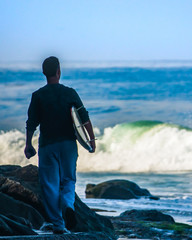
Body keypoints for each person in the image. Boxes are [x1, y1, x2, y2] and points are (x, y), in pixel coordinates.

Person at [24, 56, 96, 234]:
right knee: (68, 180)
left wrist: (28, 145)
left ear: (44, 73)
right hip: (68, 144)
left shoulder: (37, 95)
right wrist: (91, 141)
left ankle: (58, 225)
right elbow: (84, 118)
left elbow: (31, 123)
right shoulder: (70, 92)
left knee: (50, 184)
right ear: (59, 71)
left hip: (48, 145)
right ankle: (68, 204)